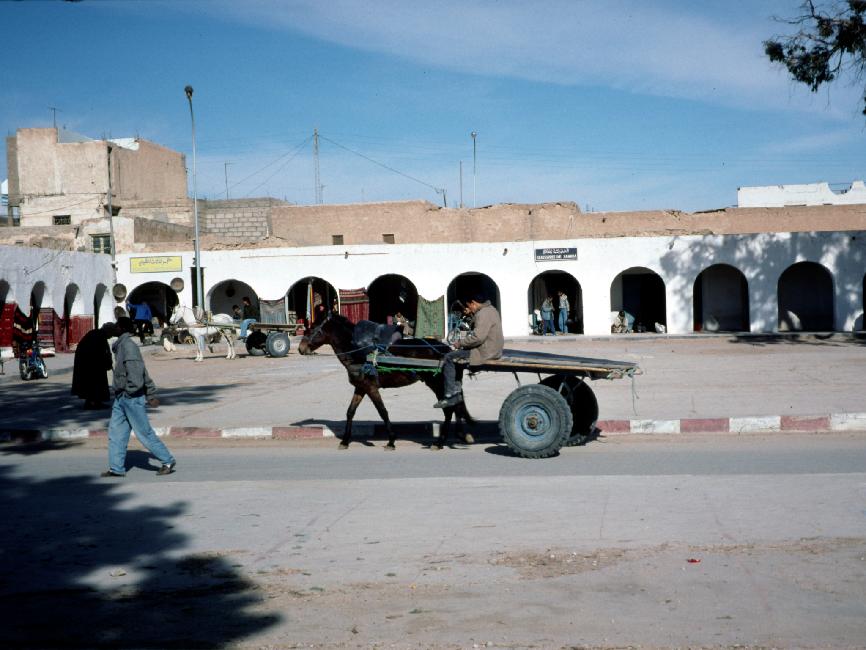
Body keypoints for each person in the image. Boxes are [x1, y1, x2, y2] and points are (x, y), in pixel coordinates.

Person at [101, 317, 176, 477]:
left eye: (116, 325)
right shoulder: (121, 345)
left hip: (131, 397)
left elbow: (137, 374)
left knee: (144, 433)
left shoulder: (128, 346)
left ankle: (167, 460)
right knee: (116, 433)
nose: (113, 328)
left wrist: (145, 393)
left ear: (121, 328)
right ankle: (116, 468)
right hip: (121, 397)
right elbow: (142, 370)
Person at [434, 293, 504, 409]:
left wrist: (460, 343)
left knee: (449, 357)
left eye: (469, 306)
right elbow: (480, 328)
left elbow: (478, 337)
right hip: (492, 348)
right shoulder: (490, 310)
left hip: (485, 352)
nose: (469, 309)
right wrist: (471, 315)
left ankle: (450, 395)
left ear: (473, 303)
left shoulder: (483, 313)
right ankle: (456, 392)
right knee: (458, 357)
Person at [71, 322, 119, 409]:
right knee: (94, 382)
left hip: (91, 363)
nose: (111, 336)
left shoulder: (97, 334)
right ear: (108, 331)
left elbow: (105, 352)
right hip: (90, 364)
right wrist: (107, 362)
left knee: (95, 382)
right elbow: (101, 352)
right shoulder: (98, 336)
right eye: (111, 334)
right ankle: (93, 402)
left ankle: (94, 401)